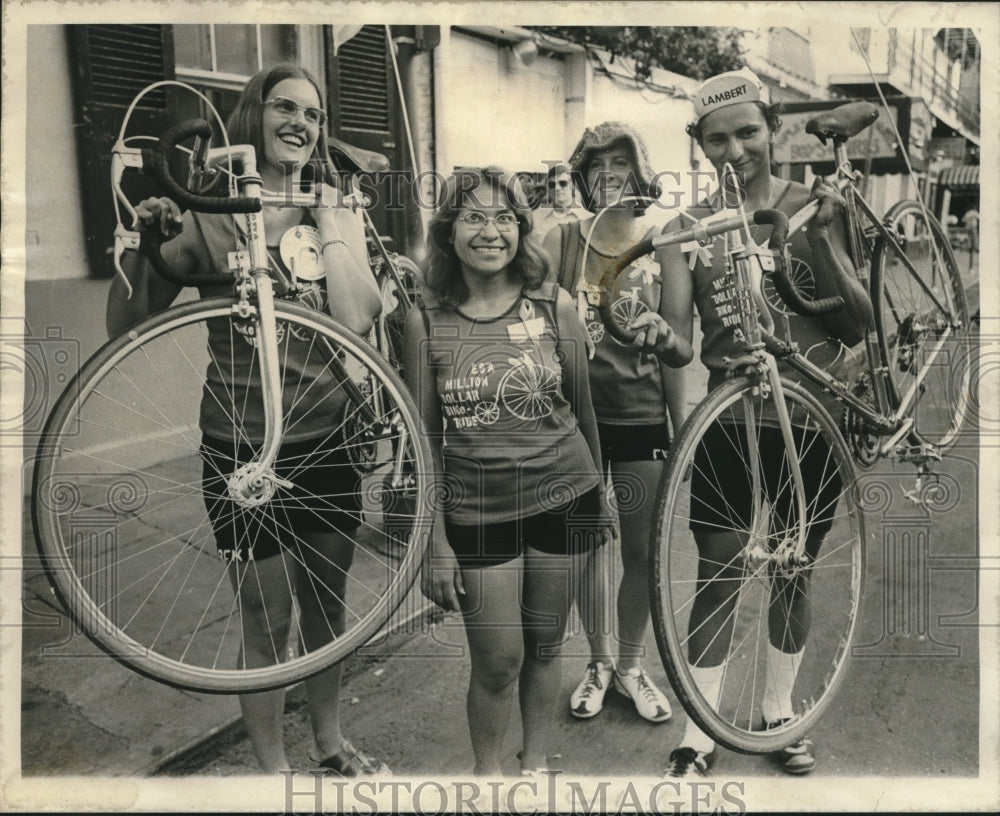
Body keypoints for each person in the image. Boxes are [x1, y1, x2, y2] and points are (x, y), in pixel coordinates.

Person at [106, 63, 388, 776]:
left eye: (315, 115)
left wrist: (330, 224)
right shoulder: (209, 209)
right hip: (239, 448)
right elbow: (127, 325)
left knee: (326, 611)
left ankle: (327, 743)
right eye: (284, 107)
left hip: (327, 437)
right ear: (254, 114)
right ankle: (273, 772)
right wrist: (147, 243)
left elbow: (357, 317)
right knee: (267, 620)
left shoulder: (337, 208)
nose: (301, 123)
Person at [653, 67, 874, 779]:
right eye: (716, 138)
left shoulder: (815, 204)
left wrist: (831, 235)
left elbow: (858, 322)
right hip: (730, 418)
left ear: (771, 130)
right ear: (699, 144)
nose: (734, 149)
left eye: (747, 132)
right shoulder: (683, 230)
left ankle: (779, 716)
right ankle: (699, 730)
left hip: (810, 420)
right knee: (717, 573)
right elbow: (683, 341)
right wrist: (652, 335)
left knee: (791, 572)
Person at [403, 166, 610, 776]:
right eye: (473, 216)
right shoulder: (425, 320)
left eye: (504, 218)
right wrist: (433, 542)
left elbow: (583, 408)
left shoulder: (555, 306)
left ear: (522, 231)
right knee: (498, 662)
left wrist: (599, 498)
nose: (490, 231)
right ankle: (489, 775)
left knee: (546, 648)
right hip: (478, 510)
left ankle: (535, 764)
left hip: (564, 496)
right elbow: (424, 439)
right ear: (447, 231)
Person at [542, 122, 686, 726]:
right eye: (595, 165)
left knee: (642, 550)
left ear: (641, 168)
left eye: (620, 162)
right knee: (582, 545)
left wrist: (680, 431)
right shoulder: (561, 239)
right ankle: (598, 662)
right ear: (582, 176)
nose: (608, 175)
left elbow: (681, 344)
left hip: (641, 418)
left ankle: (631, 664)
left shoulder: (666, 240)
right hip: (574, 420)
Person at [533, 162, 587, 240]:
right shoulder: (535, 217)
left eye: (563, 183)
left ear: (572, 186)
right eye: (552, 185)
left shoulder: (586, 216)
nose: (557, 188)